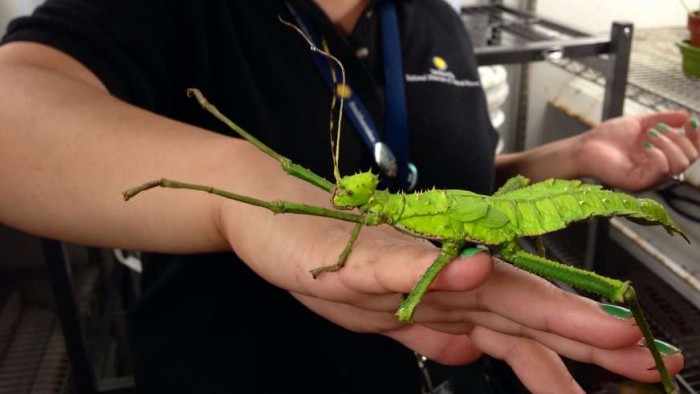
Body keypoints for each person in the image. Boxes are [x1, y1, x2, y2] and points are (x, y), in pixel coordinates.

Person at [0, 0, 693, 393]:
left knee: (618, 295)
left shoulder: (436, 22)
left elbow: (459, 188)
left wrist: (564, 158)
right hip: (242, 375)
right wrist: (237, 190)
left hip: (465, 369)